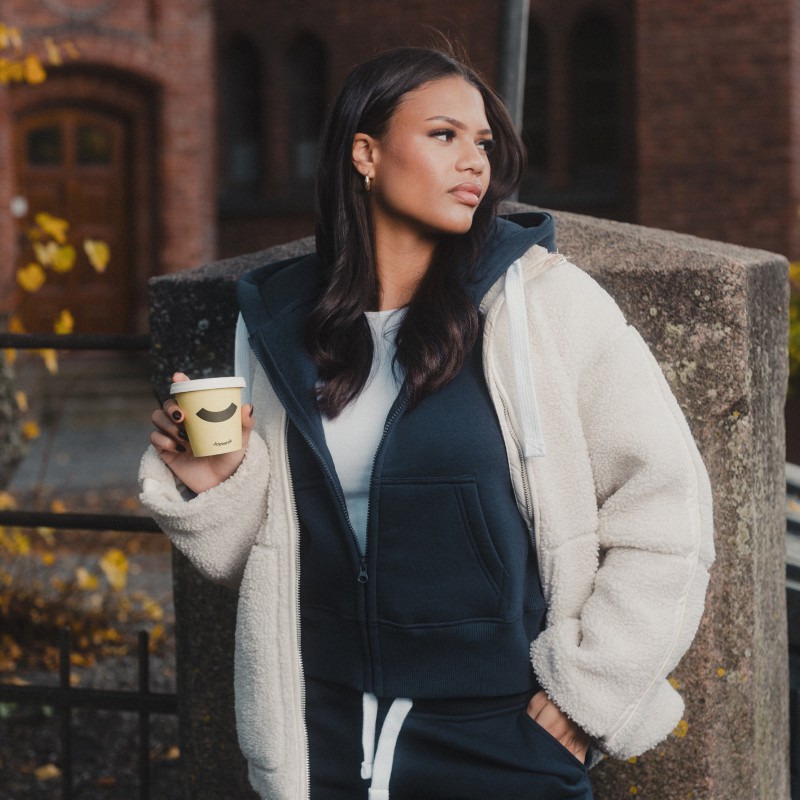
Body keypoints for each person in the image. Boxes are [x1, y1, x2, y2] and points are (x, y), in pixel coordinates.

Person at [140, 45, 715, 800]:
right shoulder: (277, 328)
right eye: (444, 135)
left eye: (482, 143)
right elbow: (266, 561)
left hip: (507, 741)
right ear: (366, 153)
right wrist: (216, 488)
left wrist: (587, 697)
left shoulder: (542, 305)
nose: (474, 161)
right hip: (323, 737)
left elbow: (668, 511)